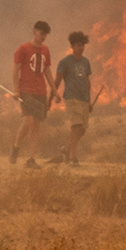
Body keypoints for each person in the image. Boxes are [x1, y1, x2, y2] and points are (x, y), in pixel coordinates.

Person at [10, 20, 55, 168]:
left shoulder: (46, 50)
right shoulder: (23, 49)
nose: (43, 37)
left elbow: (47, 70)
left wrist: (54, 89)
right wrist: (16, 90)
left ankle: (31, 159)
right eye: (41, 33)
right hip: (26, 90)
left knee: (36, 126)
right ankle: (16, 146)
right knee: (28, 121)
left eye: (45, 35)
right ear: (34, 31)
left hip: (40, 91)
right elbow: (16, 70)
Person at [54, 32, 93, 166]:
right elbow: (57, 81)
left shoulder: (86, 62)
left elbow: (88, 82)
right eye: (78, 45)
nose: (81, 48)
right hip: (71, 98)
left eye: (82, 45)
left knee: (82, 129)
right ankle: (72, 157)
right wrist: (54, 96)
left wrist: (89, 101)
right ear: (72, 46)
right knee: (76, 126)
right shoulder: (65, 62)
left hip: (84, 99)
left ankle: (66, 149)